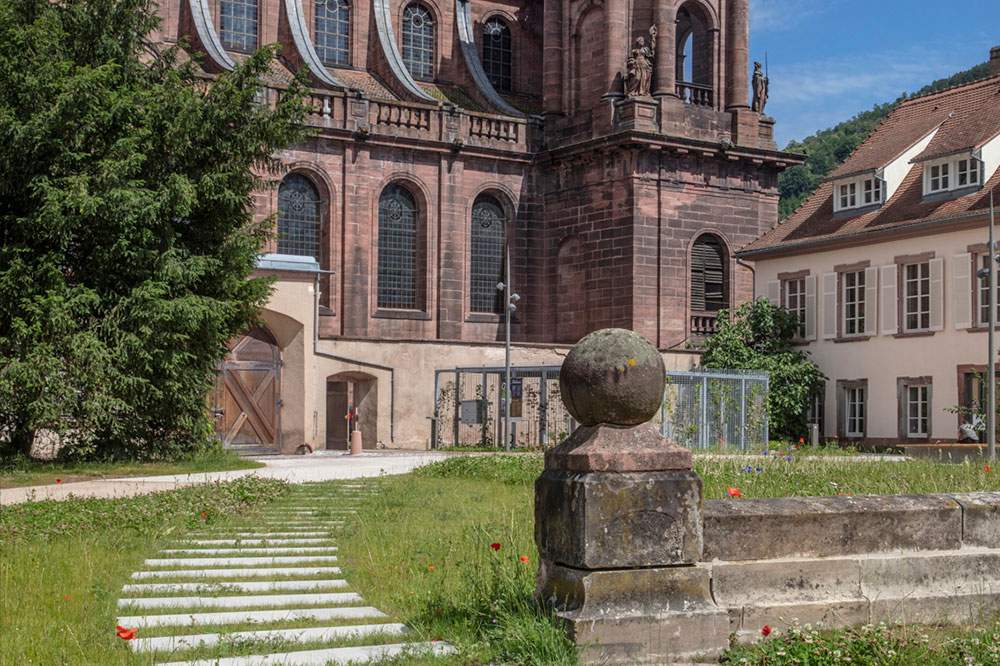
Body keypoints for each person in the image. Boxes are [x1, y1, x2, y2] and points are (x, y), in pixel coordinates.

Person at [625, 26, 657, 98]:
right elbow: (631, 59)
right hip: (637, 66)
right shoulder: (634, 51)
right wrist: (632, 63)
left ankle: (642, 92)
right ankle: (633, 91)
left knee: (644, 79)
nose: (642, 42)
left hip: (644, 65)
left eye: (643, 41)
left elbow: (651, 47)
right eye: (641, 41)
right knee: (637, 78)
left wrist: (652, 37)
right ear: (638, 42)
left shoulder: (645, 50)